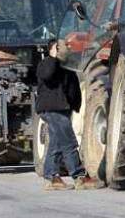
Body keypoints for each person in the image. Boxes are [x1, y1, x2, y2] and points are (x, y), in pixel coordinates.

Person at [36, 40, 103, 191]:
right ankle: (79, 177)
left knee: (56, 144)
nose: (67, 48)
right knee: (69, 142)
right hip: (51, 109)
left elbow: (72, 87)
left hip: (63, 109)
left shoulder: (67, 66)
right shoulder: (46, 64)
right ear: (53, 49)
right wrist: (53, 57)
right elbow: (47, 75)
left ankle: (51, 178)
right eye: (62, 46)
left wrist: (75, 105)